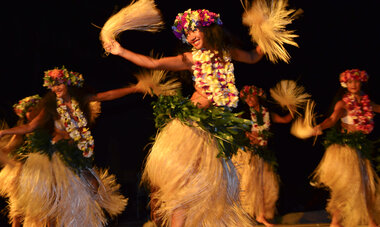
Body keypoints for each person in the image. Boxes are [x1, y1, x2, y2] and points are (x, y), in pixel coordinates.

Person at [104, 8, 263, 227]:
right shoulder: (190, 58)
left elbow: (254, 56)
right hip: (194, 125)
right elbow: (154, 63)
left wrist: (266, 35)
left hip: (218, 129)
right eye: (187, 34)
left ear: (208, 29)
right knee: (184, 179)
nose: (190, 37)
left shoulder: (227, 53)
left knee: (213, 185)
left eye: (194, 30)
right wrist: (120, 51)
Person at [0, 66, 144, 226]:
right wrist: (4, 132)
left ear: (68, 83)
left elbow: (106, 96)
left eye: (59, 83)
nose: (56, 88)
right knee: (56, 200)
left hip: (77, 155)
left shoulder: (80, 99)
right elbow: (30, 126)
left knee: (93, 186)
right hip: (58, 157)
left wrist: (134, 89)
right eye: (53, 85)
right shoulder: (51, 105)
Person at [312, 69, 380, 227]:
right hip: (345, 150)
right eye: (350, 82)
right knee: (347, 187)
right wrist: (319, 127)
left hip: (360, 149)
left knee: (366, 186)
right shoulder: (342, 103)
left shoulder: (367, 102)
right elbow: (332, 119)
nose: (353, 85)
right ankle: (343, 221)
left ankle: (362, 221)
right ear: (345, 84)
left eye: (356, 81)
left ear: (361, 82)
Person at [232, 84, 295, 227]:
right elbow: (238, 129)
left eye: (250, 97)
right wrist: (247, 135)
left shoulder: (268, 114)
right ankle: (245, 216)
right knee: (249, 186)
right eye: (246, 98)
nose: (248, 100)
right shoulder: (245, 115)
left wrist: (293, 107)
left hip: (264, 154)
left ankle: (261, 216)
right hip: (250, 155)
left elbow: (285, 120)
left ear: (257, 96)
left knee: (265, 186)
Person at [0, 95, 41, 227]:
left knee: (39, 212)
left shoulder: (48, 127)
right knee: (17, 211)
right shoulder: (21, 130)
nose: (31, 113)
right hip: (23, 171)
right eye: (28, 111)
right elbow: (8, 148)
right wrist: (3, 149)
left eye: (34, 109)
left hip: (41, 172)